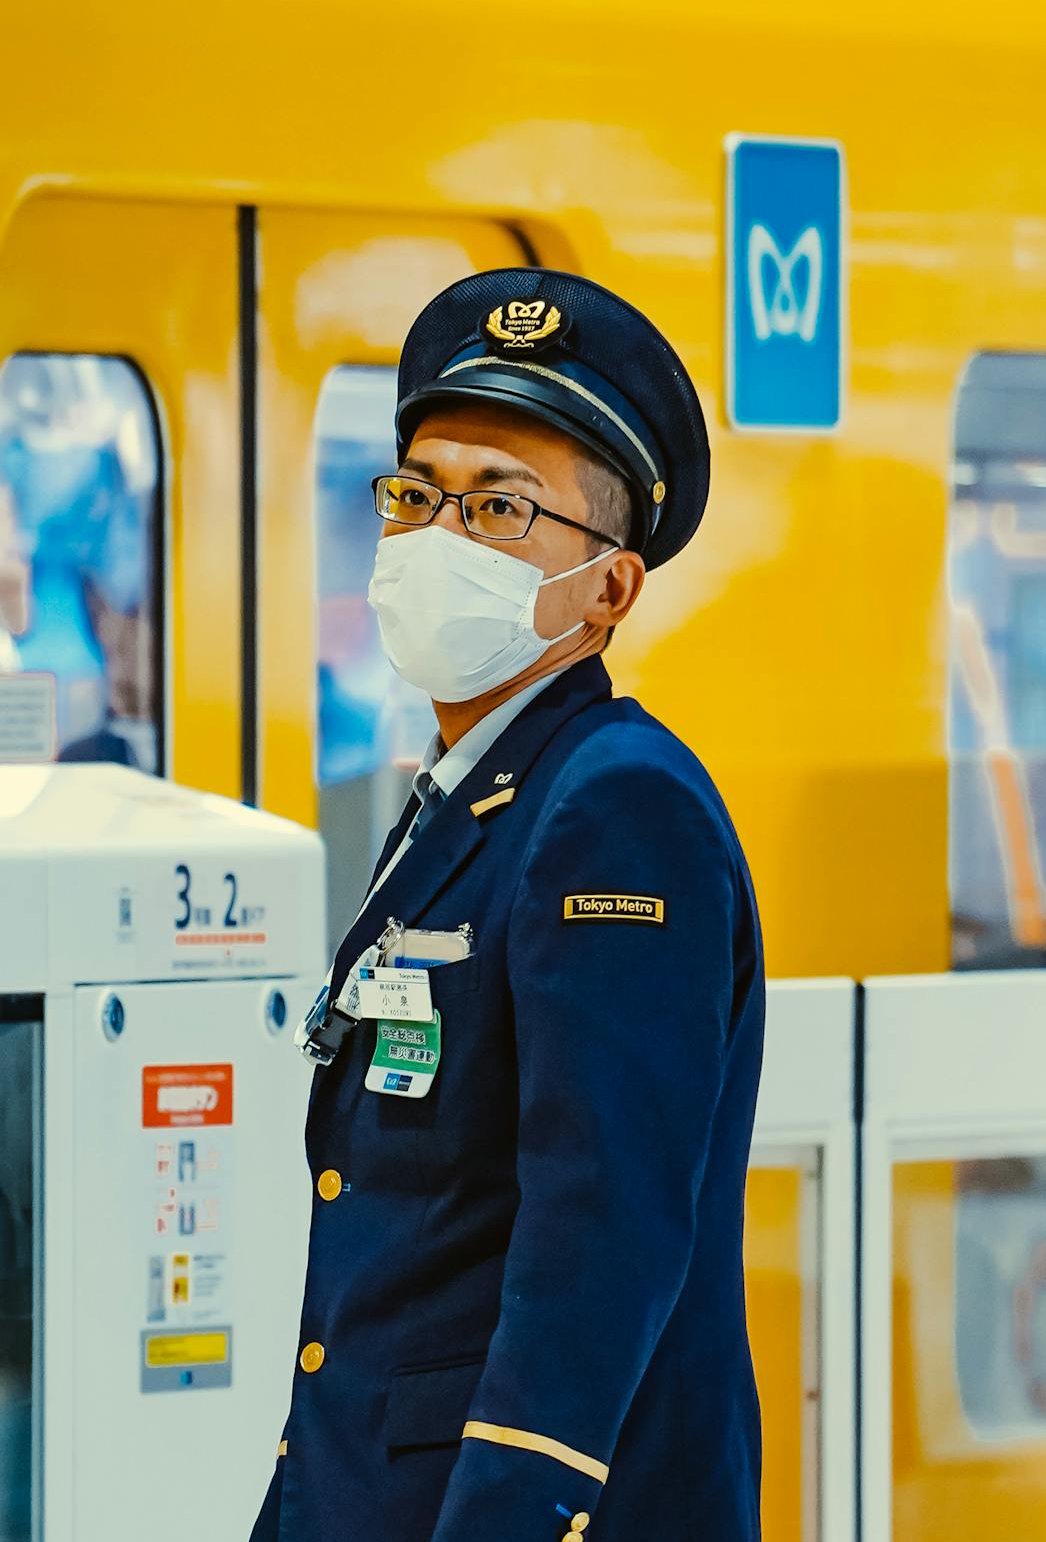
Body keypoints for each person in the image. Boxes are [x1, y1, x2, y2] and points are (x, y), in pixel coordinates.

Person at [252, 269, 766, 1542]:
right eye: (418, 496)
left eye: (499, 509)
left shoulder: (617, 807)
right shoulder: (470, 797)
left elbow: (601, 1235)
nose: (439, 537)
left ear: (608, 592)